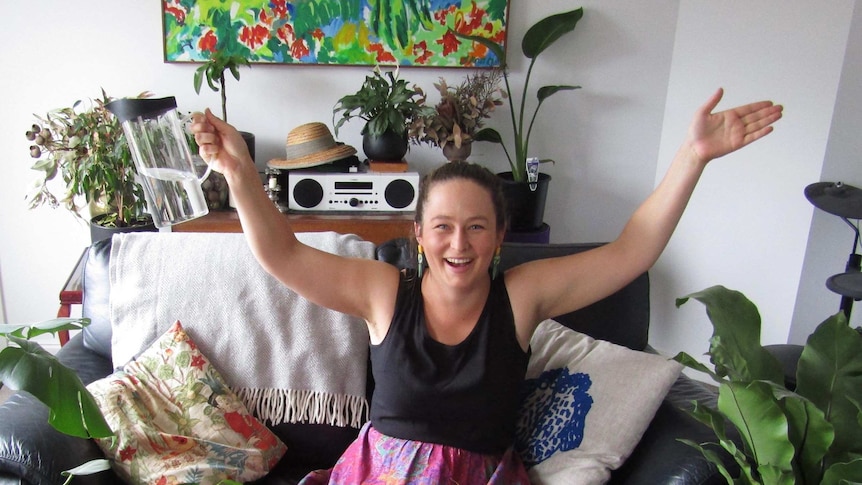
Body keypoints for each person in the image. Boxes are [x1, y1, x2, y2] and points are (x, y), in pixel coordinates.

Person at [191, 87, 782, 484]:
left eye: (477, 228)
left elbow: (631, 252)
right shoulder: (382, 292)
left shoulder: (522, 297)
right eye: (443, 228)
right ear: (418, 235)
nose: (459, 244)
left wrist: (693, 156)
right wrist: (241, 174)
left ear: (499, 237)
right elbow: (283, 254)